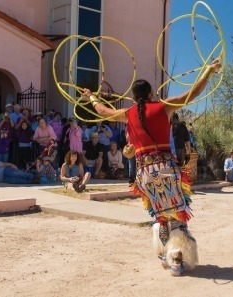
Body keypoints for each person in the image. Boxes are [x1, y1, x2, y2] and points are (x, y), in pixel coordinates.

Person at [82, 59, 221, 276]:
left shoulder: (128, 114)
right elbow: (191, 94)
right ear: (150, 95)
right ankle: (175, 258)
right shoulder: (162, 107)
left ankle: (164, 253)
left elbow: (102, 111)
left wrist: (90, 96)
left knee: (160, 215)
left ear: (133, 97)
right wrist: (209, 71)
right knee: (176, 213)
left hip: (144, 174)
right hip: (167, 168)